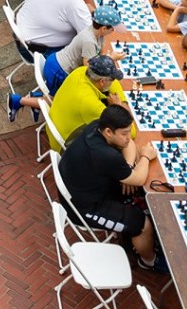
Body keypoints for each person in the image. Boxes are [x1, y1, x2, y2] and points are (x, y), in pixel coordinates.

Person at [59, 104, 158, 268]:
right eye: (124, 133)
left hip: (82, 187)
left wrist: (128, 169)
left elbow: (131, 144)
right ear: (108, 132)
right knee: (143, 224)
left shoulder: (95, 126)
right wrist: (146, 157)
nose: (128, 137)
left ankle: (130, 235)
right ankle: (150, 262)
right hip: (85, 209)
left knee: (132, 189)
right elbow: (140, 179)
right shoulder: (105, 155)